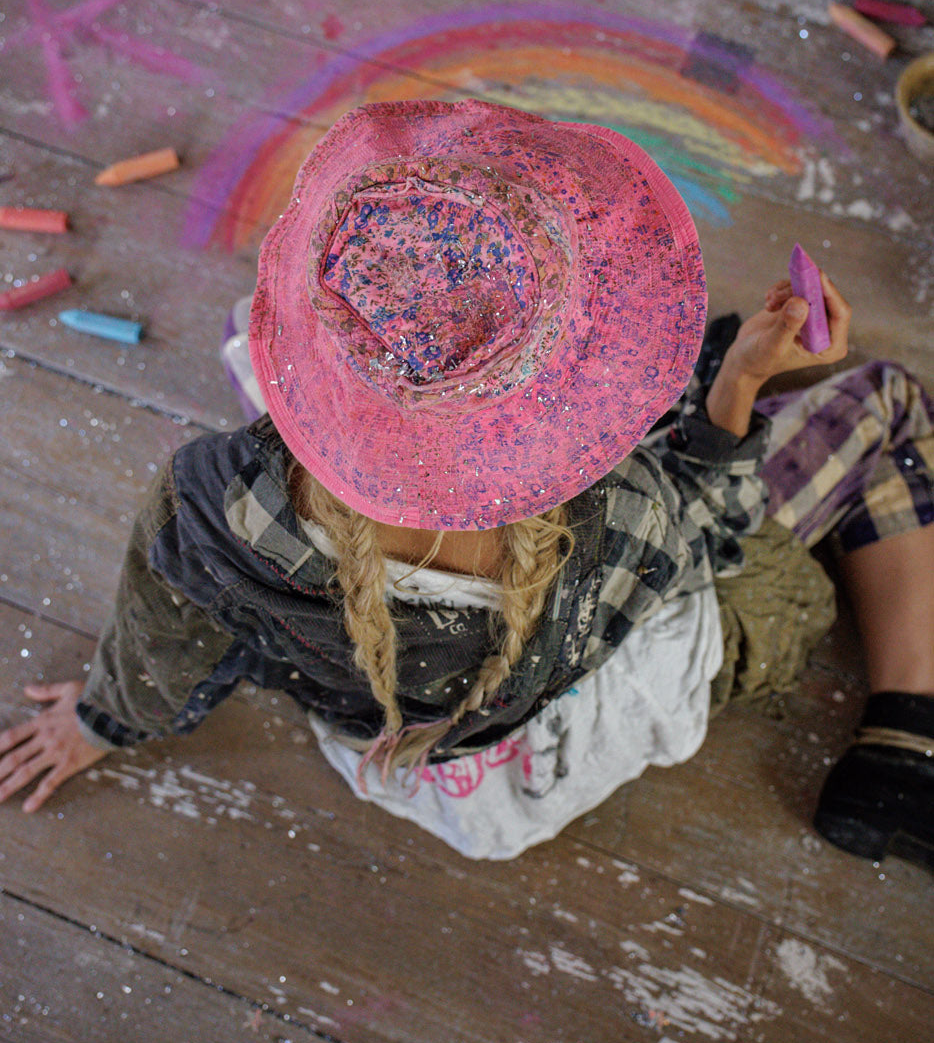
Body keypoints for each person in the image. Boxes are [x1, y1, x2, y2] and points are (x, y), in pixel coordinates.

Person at [1, 99, 932, 865]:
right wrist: (741, 384)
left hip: (392, 714)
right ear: (542, 418)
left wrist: (102, 724)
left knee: (255, 323)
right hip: (576, 680)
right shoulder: (622, 517)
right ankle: (908, 730)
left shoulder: (215, 499)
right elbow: (721, 519)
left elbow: (159, 639)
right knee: (884, 405)